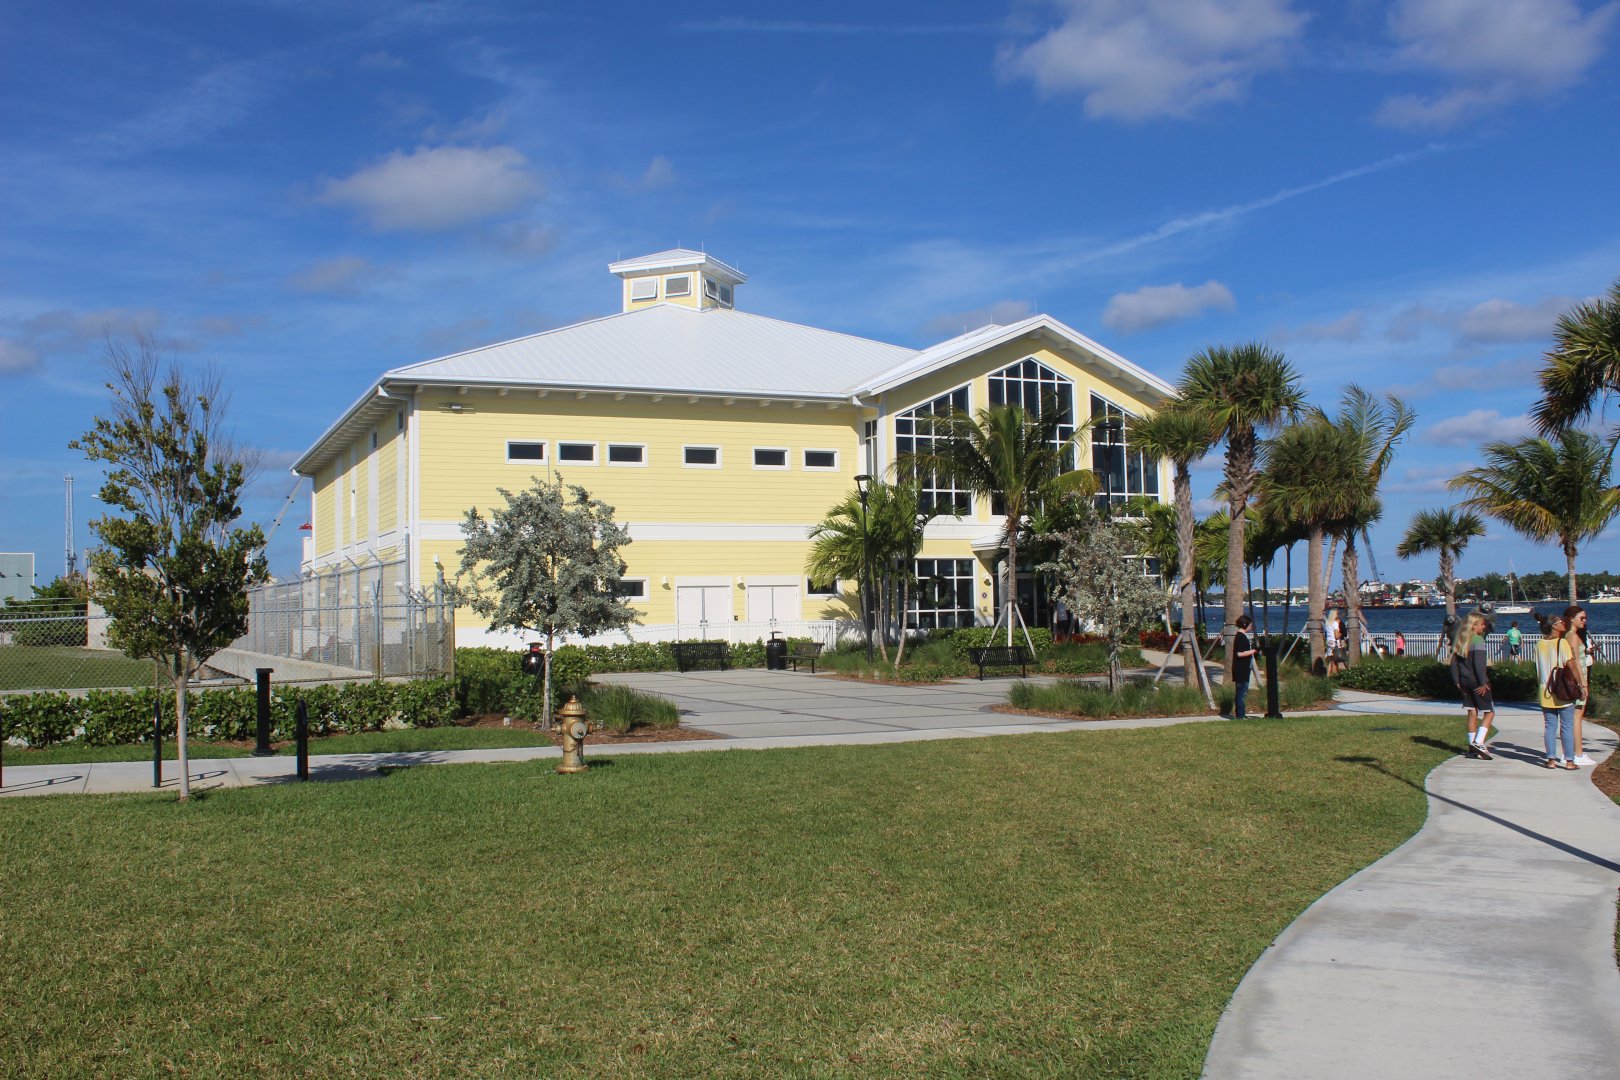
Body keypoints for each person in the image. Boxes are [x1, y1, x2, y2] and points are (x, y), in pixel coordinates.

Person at [1535, 612, 1581, 769]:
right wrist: (1581, 685)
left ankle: (1551, 760)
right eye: (1560, 622)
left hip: (1545, 690)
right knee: (1567, 725)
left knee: (1549, 726)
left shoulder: (1539, 644)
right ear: (1554, 626)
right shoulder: (1562, 643)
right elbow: (1571, 666)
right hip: (1562, 690)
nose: (1563, 624)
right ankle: (1569, 760)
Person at [1451, 613, 1495, 759]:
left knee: (1472, 712)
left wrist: (1457, 681)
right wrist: (1483, 682)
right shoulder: (1478, 640)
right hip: (1477, 681)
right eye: (1482, 624)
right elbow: (1479, 664)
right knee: (1489, 712)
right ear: (1474, 625)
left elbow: (1453, 663)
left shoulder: (1461, 640)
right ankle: (1478, 742)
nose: (1484, 627)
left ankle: (1471, 748)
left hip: (1464, 681)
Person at [1566, 607, 1593, 767]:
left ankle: (1570, 752)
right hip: (1579, 681)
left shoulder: (1568, 636)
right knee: (1577, 718)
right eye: (1581, 618)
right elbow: (1575, 661)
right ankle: (1578, 753)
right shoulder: (1573, 637)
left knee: (1571, 718)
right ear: (1571, 618)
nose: (1584, 621)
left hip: (1575, 681)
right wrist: (1583, 684)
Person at [1231, 614, 1258, 719]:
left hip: (1243, 668)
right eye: (1250, 625)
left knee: (1241, 691)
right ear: (1245, 624)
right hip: (1241, 669)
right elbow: (1240, 653)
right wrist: (1253, 651)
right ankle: (1240, 715)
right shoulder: (1241, 637)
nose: (1251, 627)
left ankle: (1240, 713)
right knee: (1242, 692)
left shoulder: (1240, 636)